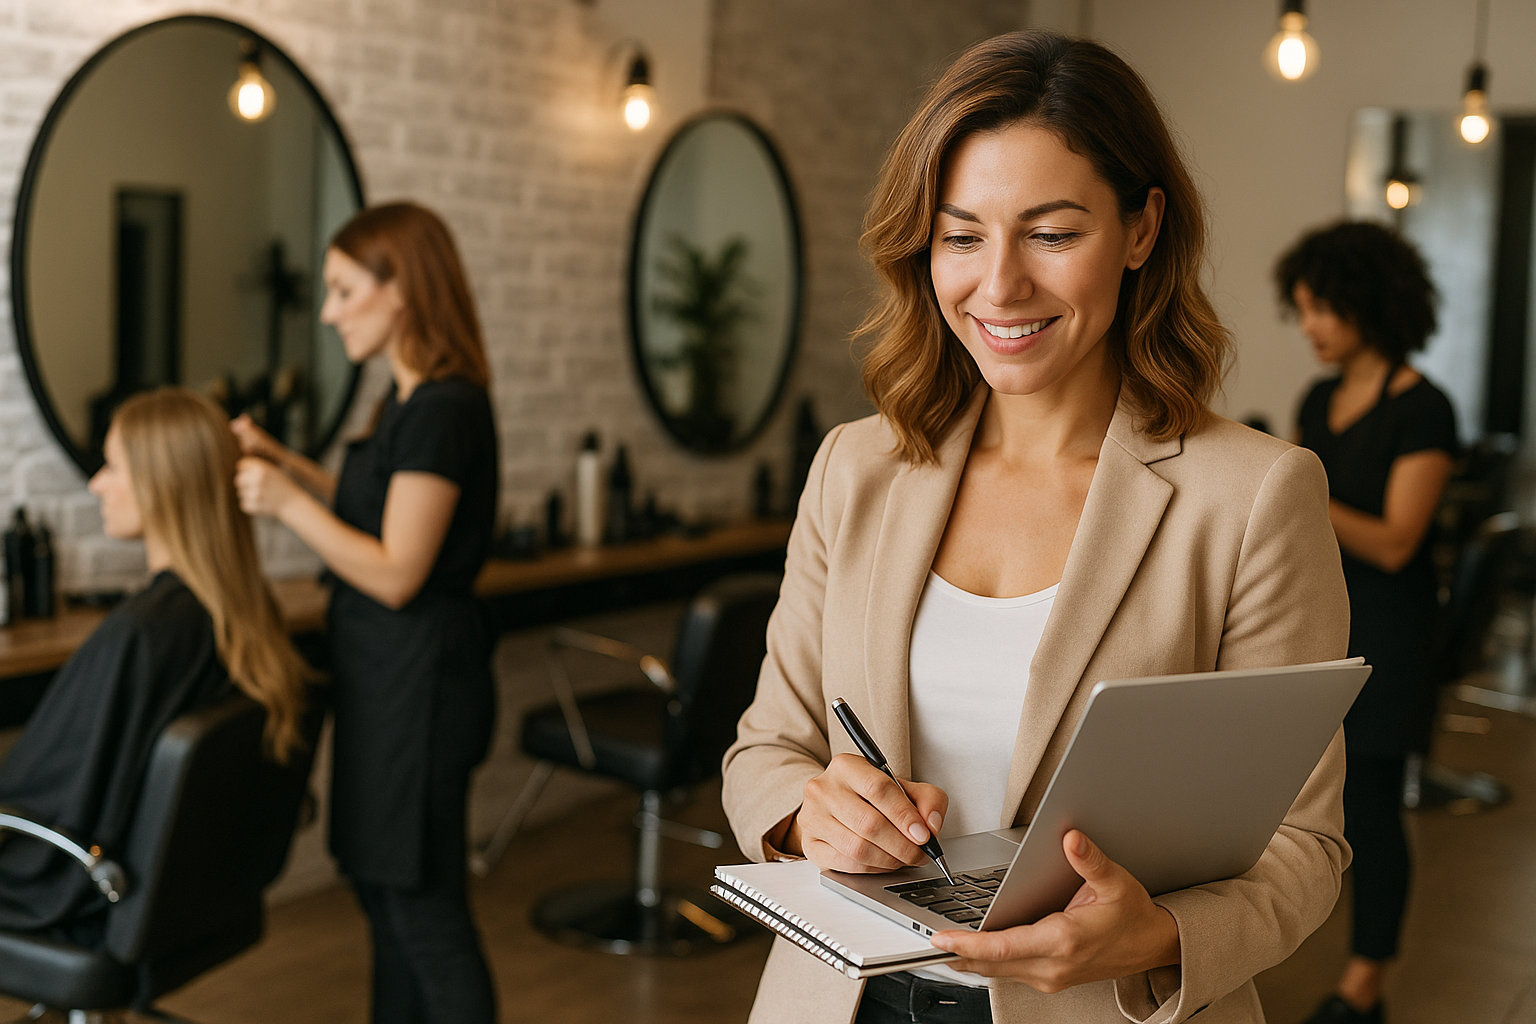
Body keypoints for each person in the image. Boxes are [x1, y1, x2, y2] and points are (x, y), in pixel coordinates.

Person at [721, 31, 1351, 1024]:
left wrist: (1156, 935)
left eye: (1052, 233)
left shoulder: (1256, 496)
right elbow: (766, 749)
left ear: (1142, 229)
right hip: (845, 1002)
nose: (1000, 283)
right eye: (962, 235)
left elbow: (1303, 848)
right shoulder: (857, 468)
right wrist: (809, 816)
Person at [233, 201, 499, 1024]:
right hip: (389, 687)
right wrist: (292, 468)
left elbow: (394, 571)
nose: (327, 311)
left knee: (419, 908)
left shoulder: (441, 410)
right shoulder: (407, 403)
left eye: (345, 290)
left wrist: (282, 502)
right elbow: (379, 513)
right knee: (385, 899)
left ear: (402, 292)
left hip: (416, 693)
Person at [0, 388, 310, 944]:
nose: (96, 484)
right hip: (188, 895)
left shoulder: (144, 634)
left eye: (113, 467)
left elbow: (45, 789)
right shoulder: (246, 611)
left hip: (69, 890)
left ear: (163, 485)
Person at [1277, 221, 1456, 1024]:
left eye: (1322, 308)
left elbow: (1394, 540)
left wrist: (1298, 486)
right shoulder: (1317, 400)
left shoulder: (1425, 410)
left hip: (1392, 637)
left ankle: (1363, 987)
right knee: (1313, 806)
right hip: (1322, 625)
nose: (1309, 326)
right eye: (1302, 309)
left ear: (1367, 304)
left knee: (1374, 813)